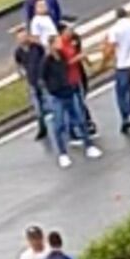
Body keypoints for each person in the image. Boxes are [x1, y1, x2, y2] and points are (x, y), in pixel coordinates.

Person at [41, 35, 103, 169]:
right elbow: (43, 78)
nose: (60, 44)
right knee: (59, 125)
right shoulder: (47, 61)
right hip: (57, 95)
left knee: (80, 119)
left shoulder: (62, 56)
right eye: (57, 42)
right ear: (51, 44)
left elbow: (67, 67)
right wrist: (52, 90)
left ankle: (89, 146)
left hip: (69, 91)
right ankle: (62, 154)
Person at [103, 7, 130, 134]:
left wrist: (105, 61)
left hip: (122, 65)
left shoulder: (114, 30)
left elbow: (111, 47)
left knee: (122, 93)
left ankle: (126, 116)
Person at [13, 27, 49, 142]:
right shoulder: (18, 52)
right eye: (20, 37)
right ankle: (42, 128)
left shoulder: (36, 47)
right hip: (32, 82)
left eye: (24, 36)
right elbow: (19, 65)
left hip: (43, 79)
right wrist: (21, 74)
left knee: (51, 103)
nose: (23, 39)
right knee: (38, 108)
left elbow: (46, 56)